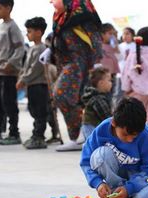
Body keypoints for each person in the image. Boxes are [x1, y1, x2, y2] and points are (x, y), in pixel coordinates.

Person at [80, 97, 148, 198]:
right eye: (125, 134)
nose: (129, 140)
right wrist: (98, 183)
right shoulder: (102, 130)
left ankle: (128, 196)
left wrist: (129, 188)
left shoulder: (147, 136)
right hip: (116, 177)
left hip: (139, 179)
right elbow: (85, 161)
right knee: (99, 155)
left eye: (134, 136)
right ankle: (115, 194)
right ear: (114, 123)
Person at [46, 0, 103, 151]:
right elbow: (59, 38)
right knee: (73, 100)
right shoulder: (60, 16)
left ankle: (82, 135)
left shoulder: (82, 12)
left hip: (79, 63)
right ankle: (76, 137)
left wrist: (97, 60)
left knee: (61, 94)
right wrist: (49, 51)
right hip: (63, 63)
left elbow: (95, 36)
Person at [0, 0, 25, 144]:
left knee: (9, 103)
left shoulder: (13, 27)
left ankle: (14, 133)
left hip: (9, 73)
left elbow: (20, 48)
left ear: (8, 8)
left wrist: (11, 63)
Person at [15, 17, 48, 149]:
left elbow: (35, 68)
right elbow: (26, 67)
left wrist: (23, 80)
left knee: (40, 112)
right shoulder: (32, 48)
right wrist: (22, 78)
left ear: (38, 32)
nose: (27, 34)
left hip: (39, 85)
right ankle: (36, 135)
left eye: (29, 31)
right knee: (34, 110)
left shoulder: (41, 49)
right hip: (32, 85)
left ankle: (39, 136)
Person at [81, 67, 112, 139]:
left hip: (89, 128)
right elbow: (107, 118)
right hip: (93, 129)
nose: (111, 83)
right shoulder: (98, 99)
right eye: (109, 80)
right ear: (101, 83)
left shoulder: (93, 95)